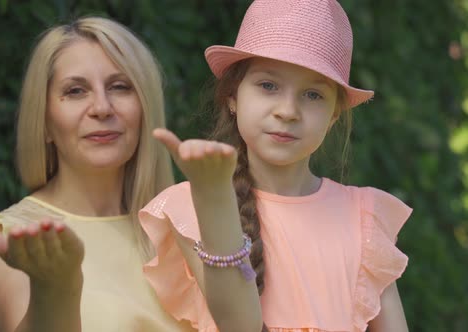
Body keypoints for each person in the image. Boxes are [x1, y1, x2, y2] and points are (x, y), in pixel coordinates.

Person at [139, 0, 412, 331]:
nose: (288, 111)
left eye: (313, 95)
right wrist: (211, 194)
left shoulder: (365, 217)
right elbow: (239, 325)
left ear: (333, 116)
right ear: (232, 97)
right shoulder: (194, 204)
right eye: (268, 86)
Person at [0, 16, 195, 332]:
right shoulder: (7, 237)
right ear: (44, 121)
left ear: (146, 108)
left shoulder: (191, 227)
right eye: (76, 90)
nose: (102, 108)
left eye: (120, 87)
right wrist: (56, 285)